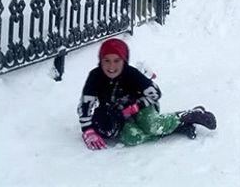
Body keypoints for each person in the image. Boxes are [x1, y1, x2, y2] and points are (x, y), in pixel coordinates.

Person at [78, 38, 217, 149]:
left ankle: (188, 116)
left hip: (143, 106)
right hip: (118, 115)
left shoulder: (131, 74)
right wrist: (88, 130)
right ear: (100, 60)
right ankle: (177, 127)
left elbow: (155, 93)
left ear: (124, 61)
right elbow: (85, 104)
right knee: (132, 137)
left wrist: (135, 107)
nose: (111, 66)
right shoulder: (95, 77)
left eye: (117, 61)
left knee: (152, 126)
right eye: (106, 61)